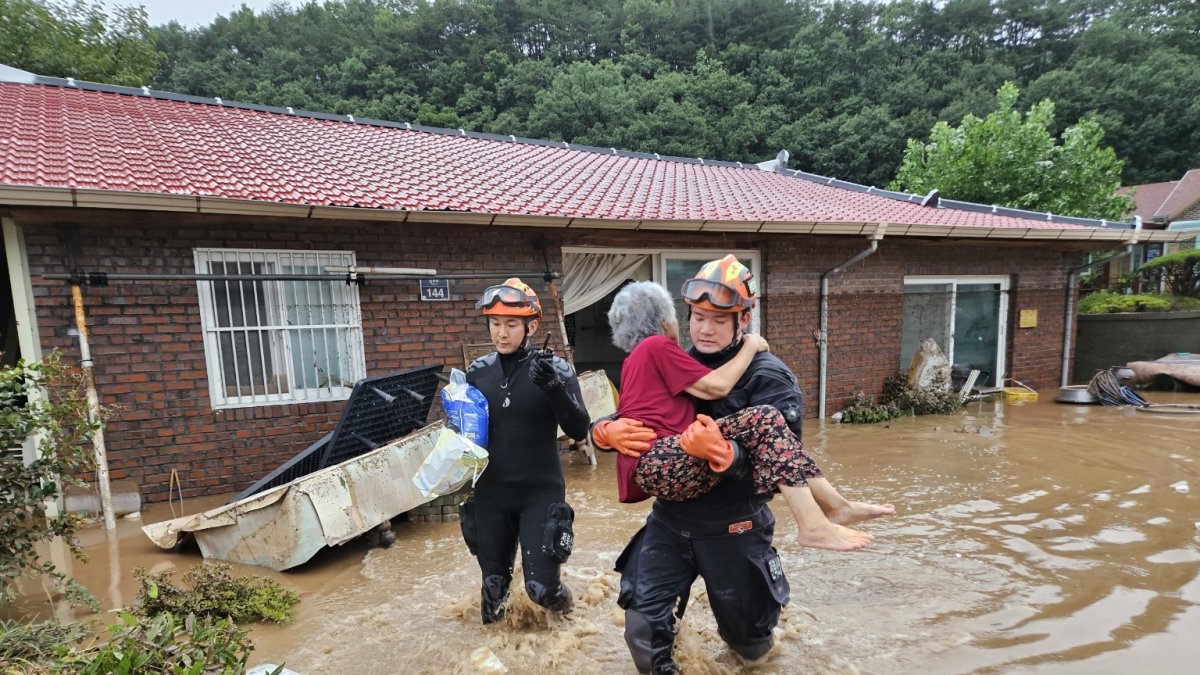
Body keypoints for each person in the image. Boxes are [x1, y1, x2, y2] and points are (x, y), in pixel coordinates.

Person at [594, 256, 894, 673]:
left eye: (719, 320)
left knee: (750, 649)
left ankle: (830, 512)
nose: (705, 329)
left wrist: (727, 454)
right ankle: (829, 512)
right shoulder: (676, 355)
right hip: (670, 520)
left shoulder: (768, 375)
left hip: (734, 526)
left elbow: (785, 459)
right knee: (643, 631)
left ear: (745, 319)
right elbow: (639, 410)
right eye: (698, 318)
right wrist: (603, 431)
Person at [458, 277, 591, 624]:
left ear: (531, 327)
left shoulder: (555, 370)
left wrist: (553, 388)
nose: (501, 333)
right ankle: (497, 652)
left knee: (542, 590)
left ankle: (571, 617)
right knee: (493, 595)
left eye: (511, 325)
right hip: (490, 495)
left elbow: (580, 429)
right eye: (495, 323)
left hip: (540, 494)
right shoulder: (478, 373)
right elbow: (465, 432)